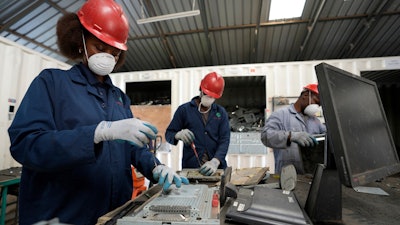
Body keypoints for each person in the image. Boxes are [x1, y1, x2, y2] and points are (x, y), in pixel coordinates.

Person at [7, 1, 188, 224]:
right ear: (80, 41)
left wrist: (156, 167)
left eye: (114, 52)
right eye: (100, 48)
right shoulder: (52, 83)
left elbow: (131, 148)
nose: (107, 57)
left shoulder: (119, 98)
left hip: (114, 214)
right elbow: (25, 144)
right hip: (64, 216)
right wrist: (97, 133)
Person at [165, 72, 230, 176]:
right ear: (201, 89)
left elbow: (225, 140)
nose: (209, 98)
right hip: (191, 168)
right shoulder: (184, 110)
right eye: (206, 94)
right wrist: (178, 135)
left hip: (216, 169)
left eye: (212, 96)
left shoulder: (220, 113)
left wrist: (215, 161)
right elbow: (169, 134)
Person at [261, 83, 326, 174]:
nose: (316, 107)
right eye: (316, 102)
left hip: (309, 174)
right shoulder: (281, 115)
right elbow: (266, 136)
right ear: (305, 95)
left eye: (319, 105)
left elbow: (326, 135)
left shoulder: (315, 121)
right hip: (286, 173)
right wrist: (290, 136)